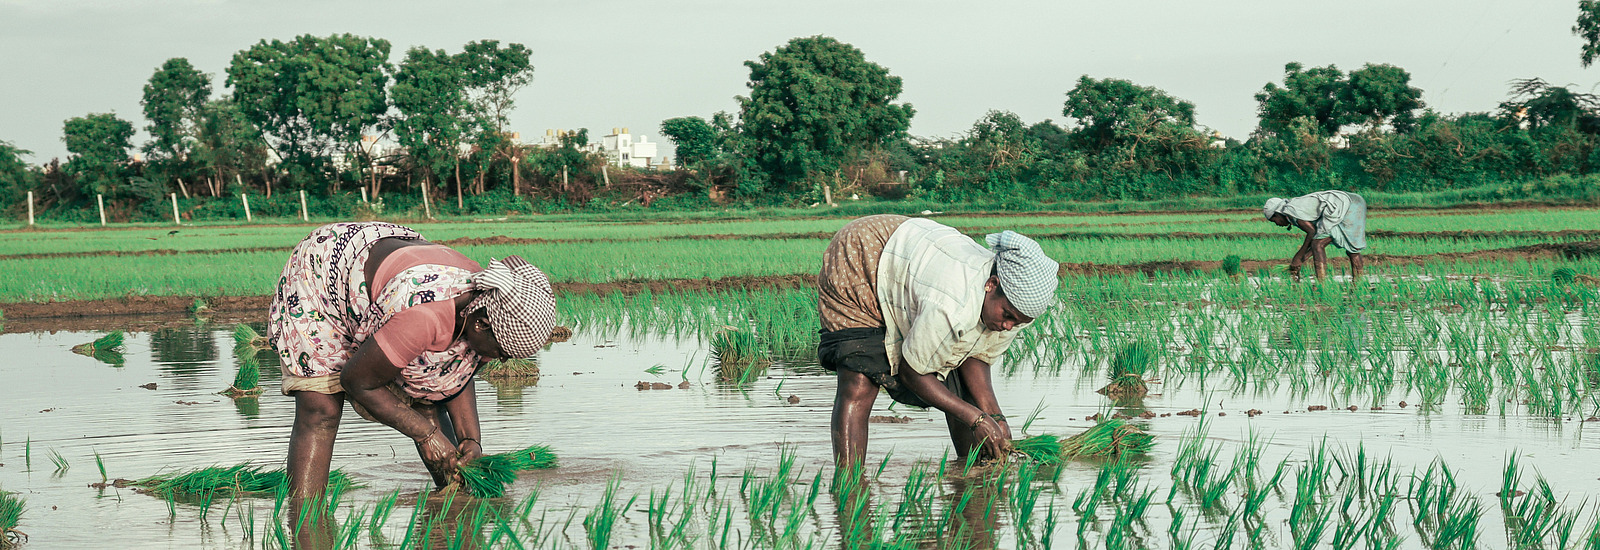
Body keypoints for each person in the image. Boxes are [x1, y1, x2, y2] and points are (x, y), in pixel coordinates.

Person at [268, 222, 557, 499]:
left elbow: (455, 374)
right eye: (503, 352)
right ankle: (304, 517)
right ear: (481, 325)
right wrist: (426, 434)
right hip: (325, 269)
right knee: (321, 410)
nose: (502, 361)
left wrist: (471, 439)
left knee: (427, 397)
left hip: (388, 264)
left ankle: (458, 502)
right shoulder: (423, 317)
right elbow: (357, 381)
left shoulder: (484, 302)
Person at [817, 214, 1059, 467]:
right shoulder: (952, 305)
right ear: (991, 284)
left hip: (914, 260)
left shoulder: (1016, 309)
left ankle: (971, 479)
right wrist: (975, 418)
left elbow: (976, 357)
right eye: (1007, 316)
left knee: (961, 393)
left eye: (1017, 322)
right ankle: (848, 483)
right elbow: (913, 373)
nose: (1008, 326)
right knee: (859, 379)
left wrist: (995, 416)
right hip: (863, 252)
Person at [1263, 190, 1367, 281]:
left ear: (1277, 213)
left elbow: (1312, 232)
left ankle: (1321, 284)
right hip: (1354, 202)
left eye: (1274, 220)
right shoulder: (1292, 209)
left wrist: (1298, 256)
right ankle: (1358, 284)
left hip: (1346, 205)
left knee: (1318, 244)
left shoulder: (1291, 211)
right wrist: (1302, 259)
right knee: (1351, 249)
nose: (1276, 223)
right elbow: (1317, 236)